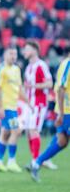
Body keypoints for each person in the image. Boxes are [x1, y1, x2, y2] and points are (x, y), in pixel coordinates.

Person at [29, 49, 70, 182]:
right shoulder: (67, 64)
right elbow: (61, 88)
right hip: (67, 110)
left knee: (62, 142)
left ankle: (36, 163)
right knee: (61, 141)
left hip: (64, 110)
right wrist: (62, 114)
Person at [0, 47, 30, 173]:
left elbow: (20, 88)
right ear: (4, 54)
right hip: (6, 107)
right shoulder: (0, 69)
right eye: (11, 53)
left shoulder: (17, 69)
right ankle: (11, 161)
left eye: (15, 54)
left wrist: (28, 102)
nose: (13, 56)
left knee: (5, 133)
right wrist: (0, 107)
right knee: (17, 131)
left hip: (13, 107)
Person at [21, 40, 57, 169]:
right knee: (28, 132)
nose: (24, 52)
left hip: (39, 103)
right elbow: (26, 87)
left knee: (33, 130)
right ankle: (37, 159)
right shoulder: (28, 67)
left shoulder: (41, 65)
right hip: (30, 104)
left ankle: (36, 161)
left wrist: (33, 86)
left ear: (35, 50)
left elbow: (49, 83)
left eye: (27, 49)